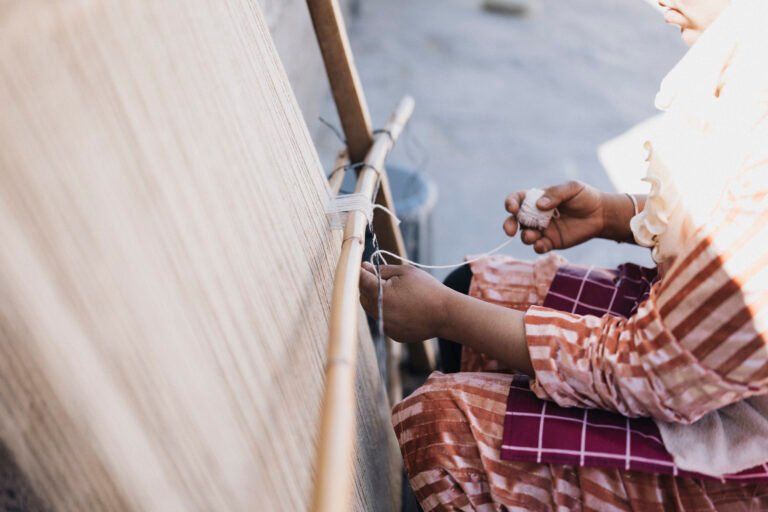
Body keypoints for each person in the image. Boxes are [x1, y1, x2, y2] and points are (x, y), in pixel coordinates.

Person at [359, 0, 768, 509]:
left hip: (745, 460)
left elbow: (643, 369)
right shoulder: (749, 63)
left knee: (444, 430)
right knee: (472, 285)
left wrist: (445, 314)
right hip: (708, 369)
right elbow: (718, 220)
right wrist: (614, 215)